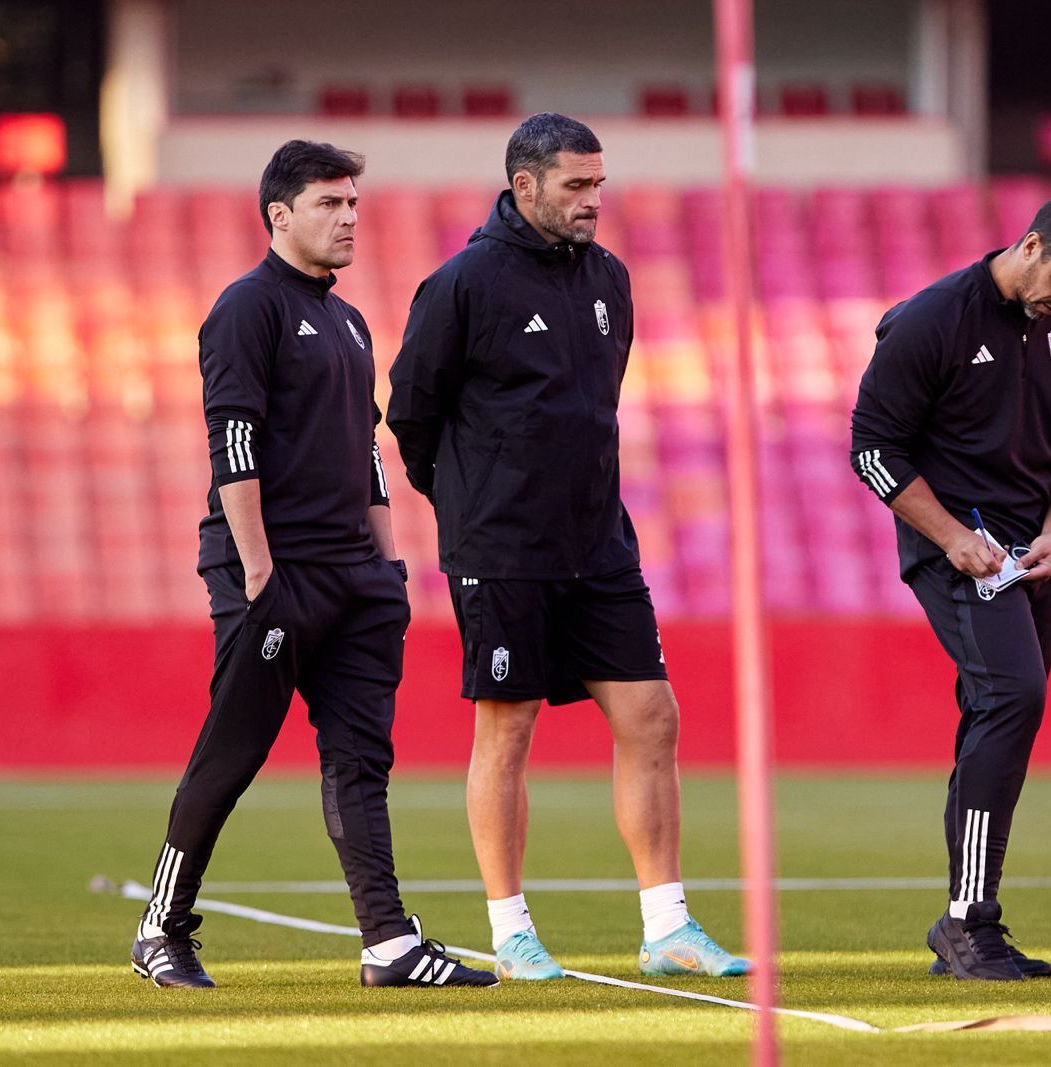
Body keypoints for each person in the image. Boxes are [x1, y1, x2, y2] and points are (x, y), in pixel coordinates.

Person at [386, 113, 746, 981]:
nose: (594, 201)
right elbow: (410, 415)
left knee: (652, 716)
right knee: (507, 731)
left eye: (599, 185)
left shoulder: (610, 278)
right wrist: (474, 503)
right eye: (577, 187)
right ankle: (511, 930)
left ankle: (668, 927)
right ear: (525, 187)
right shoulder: (462, 284)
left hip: (599, 542)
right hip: (501, 548)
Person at [131, 140, 495, 990]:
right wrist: (258, 572)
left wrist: (390, 564)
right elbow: (234, 444)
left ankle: (389, 943)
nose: (349, 219)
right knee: (235, 749)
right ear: (279, 215)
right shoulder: (245, 308)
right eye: (330, 204)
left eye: (354, 204)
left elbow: (365, 449)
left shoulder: (350, 320)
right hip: (276, 572)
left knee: (362, 760)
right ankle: (161, 927)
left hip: (356, 580)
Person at [849, 194, 1051, 980]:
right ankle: (969, 921)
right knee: (1012, 699)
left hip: (1031, 555)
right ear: (1030, 245)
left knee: (998, 715)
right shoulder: (936, 319)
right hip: (959, 548)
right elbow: (872, 448)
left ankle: (966, 922)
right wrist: (956, 540)